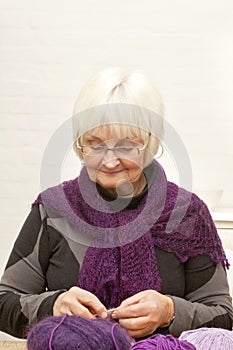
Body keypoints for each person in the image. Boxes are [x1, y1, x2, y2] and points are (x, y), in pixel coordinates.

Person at [0, 67, 232, 340]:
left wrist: (169, 311)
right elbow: (4, 303)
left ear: (150, 144)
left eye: (125, 146)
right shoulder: (52, 210)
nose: (109, 161)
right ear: (79, 145)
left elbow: (224, 317)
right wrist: (53, 305)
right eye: (95, 145)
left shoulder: (187, 214)